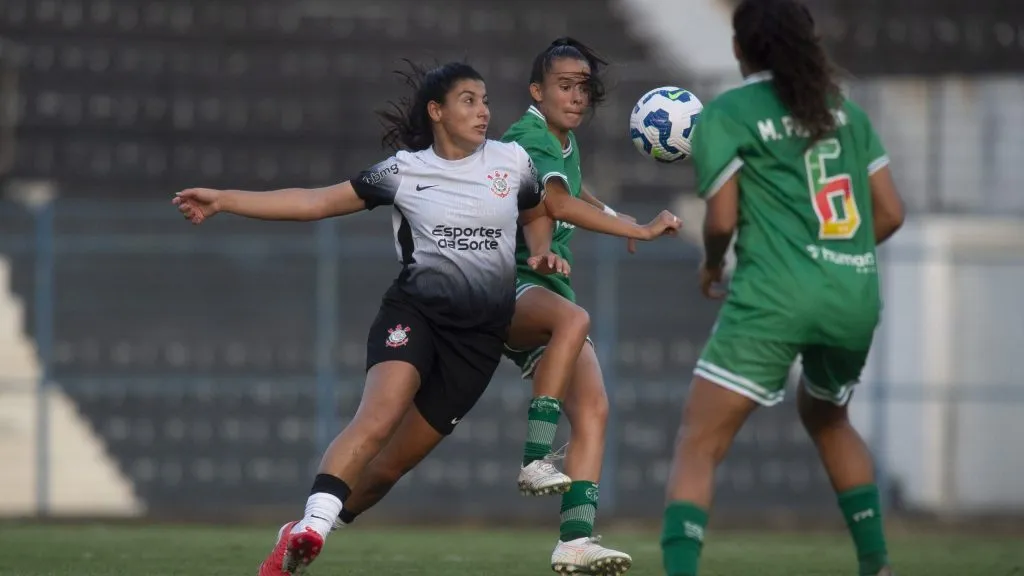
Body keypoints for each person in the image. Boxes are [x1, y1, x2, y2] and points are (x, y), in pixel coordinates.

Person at [173, 61, 570, 576]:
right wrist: (225, 199)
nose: (483, 111)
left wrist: (539, 252)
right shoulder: (403, 170)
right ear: (437, 111)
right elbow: (315, 201)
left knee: (387, 470)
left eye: (486, 100)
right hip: (416, 316)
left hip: (477, 342)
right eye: (469, 100)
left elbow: (537, 210)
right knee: (377, 418)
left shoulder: (512, 162)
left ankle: (296, 535)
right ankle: (313, 526)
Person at [331, 38, 681, 576]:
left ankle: (573, 541)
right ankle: (535, 459)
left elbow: (569, 192)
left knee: (593, 409)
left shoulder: (562, 145)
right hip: (505, 289)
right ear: (537, 92)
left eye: (584, 87)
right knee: (573, 320)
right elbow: (554, 202)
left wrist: (611, 214)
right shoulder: (528, 136)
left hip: (542, 289)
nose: (577, 96)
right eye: (565, 86)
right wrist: (633, 227)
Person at [658, 2, 905, 576]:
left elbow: (719, 221)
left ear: (741, 50)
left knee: (700, 441)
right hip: (853, 294)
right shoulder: (845, 113)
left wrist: (713, 265)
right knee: (828, 418)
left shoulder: (730, 113)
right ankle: (878, 565)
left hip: (774, 295)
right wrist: (836, 255)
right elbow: (890, 212)